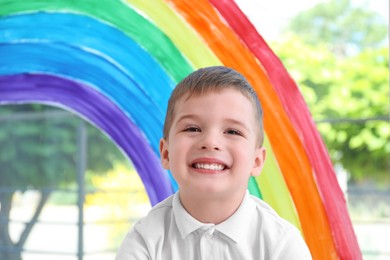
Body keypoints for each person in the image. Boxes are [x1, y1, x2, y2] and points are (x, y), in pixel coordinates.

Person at [115, 66, 312, 259]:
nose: (210, 142)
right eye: (192, 128)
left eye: (233, 131)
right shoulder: (144, 241)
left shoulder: (282, 244)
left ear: (257, 161)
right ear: (166, 153)